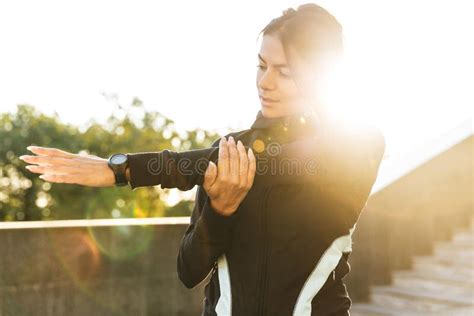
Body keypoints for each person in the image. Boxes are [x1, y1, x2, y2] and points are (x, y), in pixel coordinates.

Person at [20, 3, 385, 315]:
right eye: (261, 65)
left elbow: (276, 163)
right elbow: (189, 270)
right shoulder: (228, 147)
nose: (265, 82)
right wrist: (220, 212)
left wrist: (125, 170)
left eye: (285, 71)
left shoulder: (358, 144)